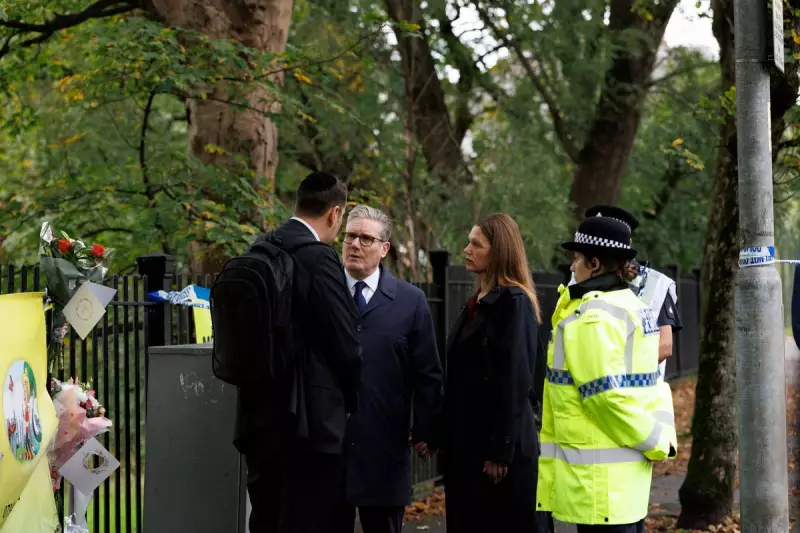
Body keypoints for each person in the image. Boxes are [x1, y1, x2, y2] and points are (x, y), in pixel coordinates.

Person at [235, 172, 363, 533]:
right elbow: (346, 345)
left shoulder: (259, 249)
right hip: (309, 424)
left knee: (265, 518)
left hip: (258, 416)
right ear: (335, 213)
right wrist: (350, 400)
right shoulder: (319, 258)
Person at [537, 215, 676, 533]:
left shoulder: (594, 316)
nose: (572, 266)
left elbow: (605, 398)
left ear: (595, 263)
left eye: (577, 258)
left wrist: (655, 442)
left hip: (599, 486)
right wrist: (657, 439)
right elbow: (651, 385)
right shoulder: (632, 305)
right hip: (625, 483)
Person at [331, 205, 444, 533]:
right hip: (328, 448)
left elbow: (428, 372)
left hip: (384, 450)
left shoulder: (410, 301)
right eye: (350, 236)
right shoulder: (323, 292)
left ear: (384, 249)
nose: (355, 244)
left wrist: (426, 430)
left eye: (366, 239)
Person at [438, 212, 546, 533]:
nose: (466, 250)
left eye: (476, 244)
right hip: (468, 446)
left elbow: (516, 379)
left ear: (499, 251)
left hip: (498, 451)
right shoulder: (476, 302)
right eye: (468, 242)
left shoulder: (514, 302)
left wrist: (500, 450)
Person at [570, 205, 684, 378]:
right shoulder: (576, 280)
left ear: (627, 242)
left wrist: (619, 377)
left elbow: (664, 346)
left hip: (633, 389)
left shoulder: (656, 284)